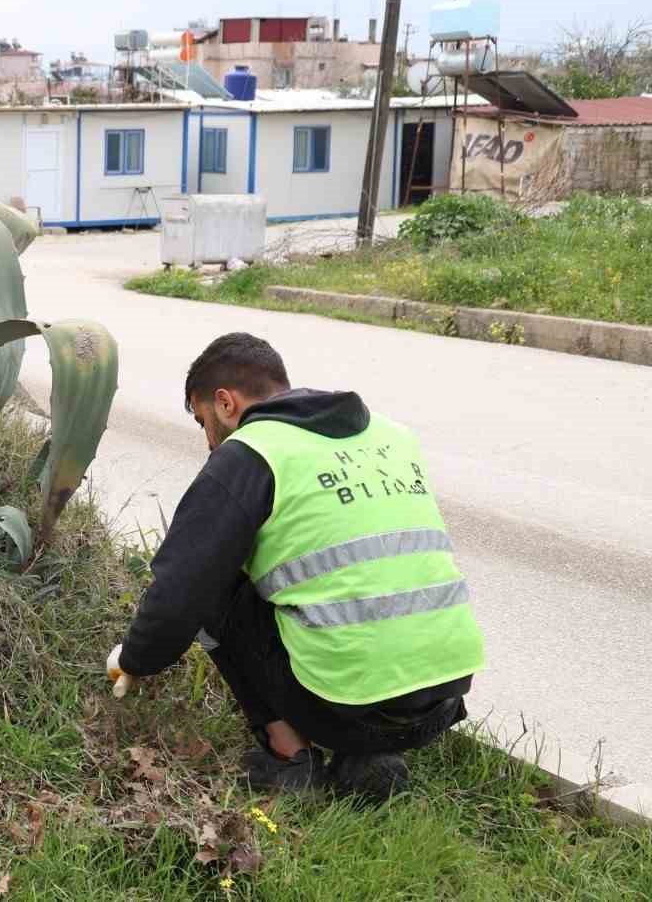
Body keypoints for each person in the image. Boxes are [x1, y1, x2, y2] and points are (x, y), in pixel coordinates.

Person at [107, 333, 484, 800]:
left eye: (203, 421)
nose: (208, 440)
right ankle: (370, 757)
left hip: (337, 705)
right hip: (439, 703)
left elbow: (180, 593)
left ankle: (289, 757)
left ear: (225, 403)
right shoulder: (390, 436)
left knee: (214, 580)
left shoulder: (251, 452)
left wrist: (135, 659)